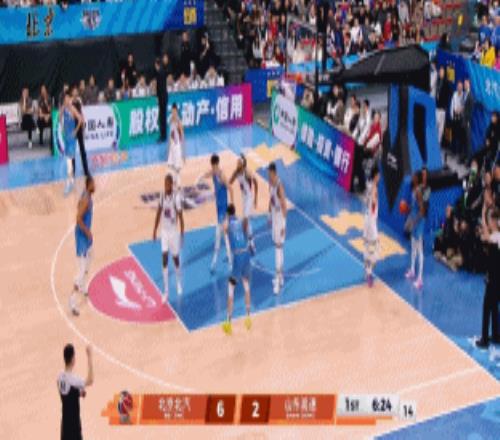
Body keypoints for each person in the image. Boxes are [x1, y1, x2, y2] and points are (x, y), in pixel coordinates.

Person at [199, 154, 234, 273]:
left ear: (216, 164)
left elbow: (230, 188)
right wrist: (200, 177)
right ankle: (218, 263)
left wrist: (231, 205)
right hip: (219, 209)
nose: (212, 168)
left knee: (222, 236)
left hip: (224, 210)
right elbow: (208, 173)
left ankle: (223, 263)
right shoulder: (214, 172)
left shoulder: (222, 175)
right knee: (220, 236)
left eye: (213, 166)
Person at [153, 174, 184, 301]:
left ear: (171, 184)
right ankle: (166, 291)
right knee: (164, 258)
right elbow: (158, 212)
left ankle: (178, 282)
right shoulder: (161, 196)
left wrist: (182, 234)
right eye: (164, 184)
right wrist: (154, 229)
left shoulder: (176, 198)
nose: (165, 186)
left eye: (167, 184)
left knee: (175, 258)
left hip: (173, 232)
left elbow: (181, 217)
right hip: (164, 232)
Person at [222, 204, 252, 335]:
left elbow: (224, 229)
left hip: (238, 256)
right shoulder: (239, 221)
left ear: (228, 214)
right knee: (246, 286)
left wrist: (226, 218)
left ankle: (228, 322)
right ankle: (248, 317)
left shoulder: (228, 223)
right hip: (246, 254)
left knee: (230, 289)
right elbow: (246, 228)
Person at [475, 209, 500, 348]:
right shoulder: (496, 235)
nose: (488, 223)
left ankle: (484, 340)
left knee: (487, 307)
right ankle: (496, 335)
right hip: (496, 277)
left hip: (494, 278)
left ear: (494, 221)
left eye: (490, 220)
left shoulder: (496, 237)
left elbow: (486, 237)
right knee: (494, 306)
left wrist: (484, 212)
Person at [57, 344, 94, 440]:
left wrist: (77, 393)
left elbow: (66, 394)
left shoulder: (59, 377)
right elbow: (90, 380)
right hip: (74, 427)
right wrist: (89, 357)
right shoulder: (74, 379)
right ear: (73, 359)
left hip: (64, 426)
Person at [70, 176, 94, 315]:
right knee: (81, 270)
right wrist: (87, 231)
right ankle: (72, 301)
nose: (95, 186)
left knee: (90, 258)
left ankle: (83, 286)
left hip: (86, 237)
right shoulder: (86, 199)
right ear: (89, 185)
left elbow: (78, 207)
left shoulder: (85, 195)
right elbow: (78, 218)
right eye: (93, 184)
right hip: (82, 237)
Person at [229, 155, 258, 253]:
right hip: (244, 198)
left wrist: (256, 198)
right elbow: (230, 182)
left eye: (238, 162)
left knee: (245, 220)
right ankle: (251, 244)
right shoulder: (236, 172)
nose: (237, 163)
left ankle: (246, 242)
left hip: (249, 197)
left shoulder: (247, 172)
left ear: (242, 164)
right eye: (237, 162)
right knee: (247, 222)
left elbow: (256, 182)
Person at [268, 162, 287, 294]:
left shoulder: (279, 186)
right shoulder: (270, 183)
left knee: (278, 249)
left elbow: (284, 206)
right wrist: (269, 215)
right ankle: (281, 278)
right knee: (278, 247)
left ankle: (278, 283)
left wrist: (283, 226)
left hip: (280, 219)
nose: (268, 175)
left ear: (274, 172)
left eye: (269, 173)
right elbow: (271, 200)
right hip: (274, 218)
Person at [405, 171, 425, 289]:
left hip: (418, 223)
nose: (412, 177)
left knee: (419, 250)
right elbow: (414, 207)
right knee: (413, 248)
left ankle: (420, 279)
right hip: (414, 219)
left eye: (413, 176)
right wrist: (407, 209)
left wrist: (414, 222)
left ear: (417, 178)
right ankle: (412, 270)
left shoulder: (418, 192)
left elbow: (422, 211)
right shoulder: (414, 190)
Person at [60, 92, 83, 196]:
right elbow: (59, 117)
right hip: (66, 137)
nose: (67, 100)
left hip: (72, 138)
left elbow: (80, 119)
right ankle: (72, 181)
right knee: (69, 160)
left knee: (69, 161)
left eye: (68, 98)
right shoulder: (63, 108)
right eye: (65, 99)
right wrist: (62, 127)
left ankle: (69, 183)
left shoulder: (73, 109)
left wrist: (76, 131)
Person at [363, 166, 380, 287]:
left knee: (368, 246)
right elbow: (373, 202)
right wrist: (373, 201)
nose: (380, 177)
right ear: (375, 176)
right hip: (371, 221)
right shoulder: (374, 188)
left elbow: (365, 200)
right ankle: (369, 273)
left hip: (367, 218)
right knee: (375, 250)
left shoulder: (368, 185)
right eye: (378, 175)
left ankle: (367, 272)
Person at [71, 86, 89, 177]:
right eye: (73, 91)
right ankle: (73, 171)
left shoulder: (79, 102)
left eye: (76, 91)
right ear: (72, 93)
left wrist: (83, 127)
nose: (75, 93)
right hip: (73, 128)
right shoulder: (70, 103)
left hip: (79, 128)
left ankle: (86, 170)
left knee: (82, 150)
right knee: (72, 151)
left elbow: (81, 114)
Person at [167, 103, 185, 188]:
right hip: (172, 145)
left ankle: (179, 183)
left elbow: (182, 135)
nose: (173, 112)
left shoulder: (179, 121)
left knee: (177, 166)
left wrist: (184, 152)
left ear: (177, 111)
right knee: (171, 165)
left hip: (177, 145)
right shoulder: (170, 120)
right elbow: (170, 134)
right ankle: (174, 181)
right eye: (172, 111)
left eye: (175, 111)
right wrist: (168, 148)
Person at [155, 54, 169, 142]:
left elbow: (159, 87)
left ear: (157, 65)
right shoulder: (163, 71)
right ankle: (164, 135)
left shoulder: (159, 72)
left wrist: (157, 97)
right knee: (163, 116)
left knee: (162, 117)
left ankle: (163, 136)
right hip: (164, 96)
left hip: (162, 97)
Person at [463, 79, 474, 162]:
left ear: (469, 85)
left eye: (466, 84)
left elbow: (471, 110)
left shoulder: (471, 96)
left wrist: (468, 121)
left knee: (468, 140)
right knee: (464, 139)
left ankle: (468, 159)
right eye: (464, 84)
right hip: (463, 120)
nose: (465, 85)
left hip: (467, 121)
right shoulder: (464, 94)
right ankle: (464, 156)